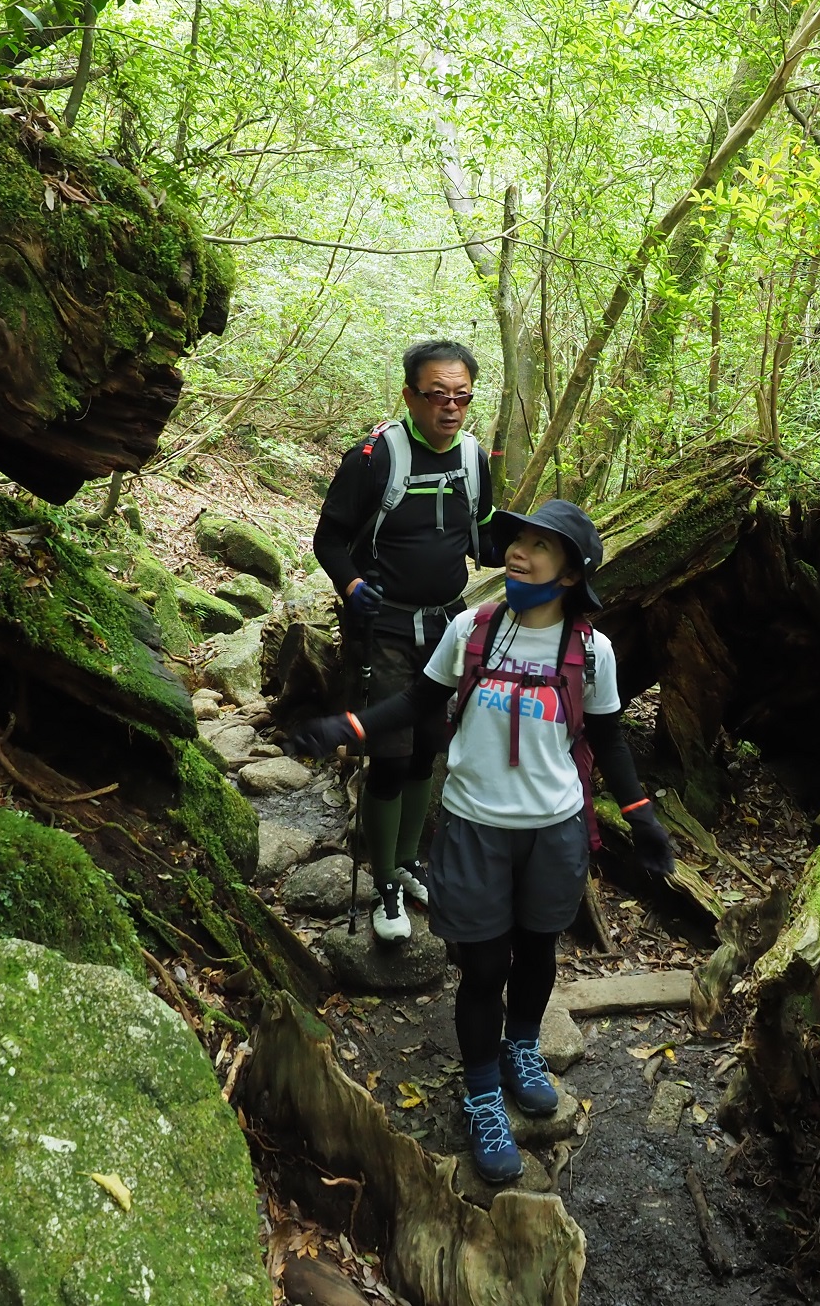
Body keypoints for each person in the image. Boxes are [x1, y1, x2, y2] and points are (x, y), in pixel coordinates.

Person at [289, 500, 675, 1183]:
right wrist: (346, 727)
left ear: (569, 573)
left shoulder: (591, 650)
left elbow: (610, 738)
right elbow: (416, 704)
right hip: (474, 826)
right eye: (518, 542)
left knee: (536, 955)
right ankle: (480, 1093)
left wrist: (642, 815)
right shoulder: (473, 628)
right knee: (483, 968)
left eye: (538, 547)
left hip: (553, 830)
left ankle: (523, 1048)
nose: (518, 554)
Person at [312, 340, 500, 945]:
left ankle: (412, 864)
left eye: (461, 395)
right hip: (383, 627)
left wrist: (547, 554)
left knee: (428, 749)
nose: (451, 407)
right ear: (410, 396)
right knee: (388, 756)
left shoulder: (473, 457)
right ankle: (385, 879)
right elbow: (330, 537)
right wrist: (351, 584)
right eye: (437, 395)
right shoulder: (373, 457)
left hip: (447, 624)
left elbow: (484, 536)